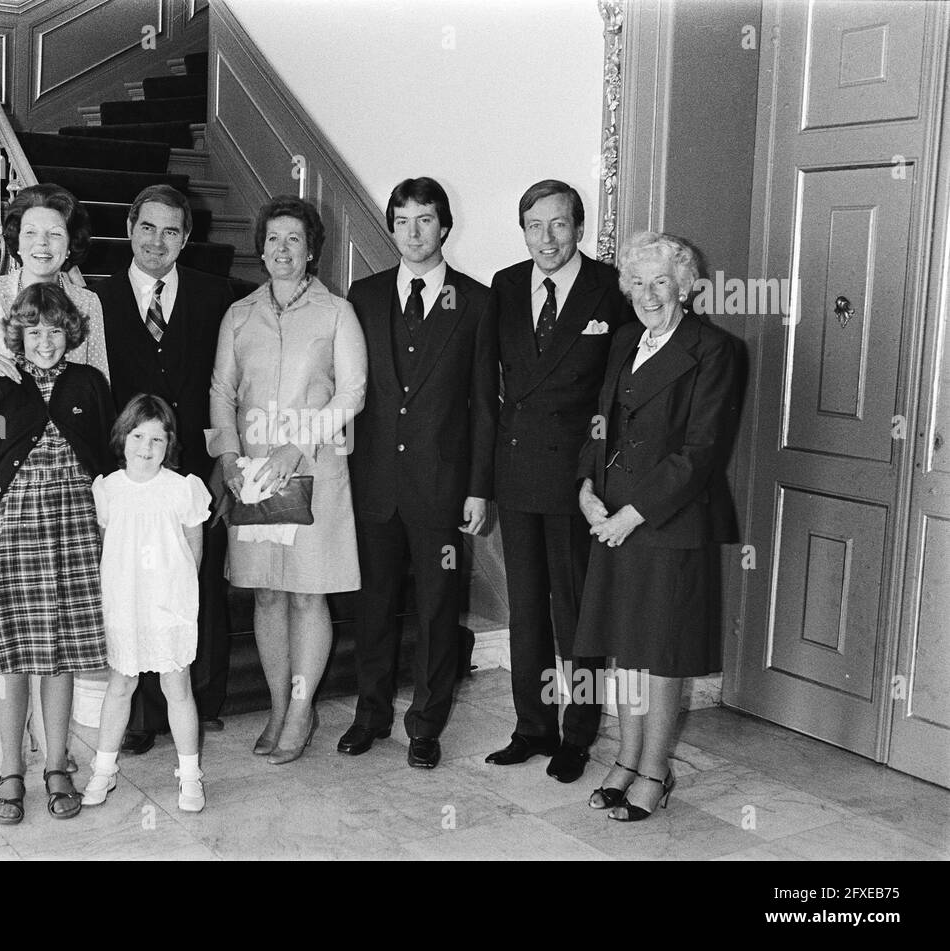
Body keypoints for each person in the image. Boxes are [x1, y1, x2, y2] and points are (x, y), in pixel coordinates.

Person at [0, 182, 109, 771]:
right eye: (31, 231)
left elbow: (96, 381)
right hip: (2, 480)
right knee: (4, 631)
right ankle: (9, 747)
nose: (43, 242)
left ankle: (53, 746)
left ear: (69, 242)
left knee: (57, 633)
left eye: (55, 232)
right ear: (15, 239)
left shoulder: (87, 306)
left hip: (65, 488)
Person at [574, 231, 741, 820]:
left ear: (684, 287)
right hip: (612, 515)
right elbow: (600, 425)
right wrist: (587, 489)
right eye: (638, 283)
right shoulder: (623, 340)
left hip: (667, 521)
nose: (649, 294)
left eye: (661, 282)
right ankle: (625, 756)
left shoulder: (715, 350)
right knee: (626, 650)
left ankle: (654, 770)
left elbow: (700, 452)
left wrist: (632, 514)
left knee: (661, 652)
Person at [340, 177, 497, 768]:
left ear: (444, 226)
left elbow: (485, 406)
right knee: (374, 605)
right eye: (402, 221)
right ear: (391, 227)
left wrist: (479, 487)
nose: (413, 232)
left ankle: (426, 725)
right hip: (374, 484)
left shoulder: (476, 302)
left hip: (442, 489)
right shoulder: (364, 295)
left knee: (436, 609)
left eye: (425, 220)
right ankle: (370, 714)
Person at [207, 195, 367, 765]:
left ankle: (302, 707)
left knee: (306, 594)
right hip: (253, 474)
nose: (282, 249)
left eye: (294, 239)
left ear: (312, 249)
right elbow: (222, 392)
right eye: (273, 239)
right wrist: (227, 456)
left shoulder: (336, 314)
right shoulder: (239, 314)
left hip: (313, 468)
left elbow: (352, 393)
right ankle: (278, 706)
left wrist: (299, 446)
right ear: (261, 247)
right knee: (267, 593)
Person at [0, 282, 116, 824]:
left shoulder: (89, 384)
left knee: (61, 651)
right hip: (11, 531)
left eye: (56, 330)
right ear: (18, 333)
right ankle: (11, 771)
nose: (45, 342)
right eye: (34, 331)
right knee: (11, 654)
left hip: (74, 532)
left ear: (72, 332)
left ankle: (57, 764)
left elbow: (108, 459)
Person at [487, 180, 634, 783]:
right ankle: (533, 727)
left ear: (579, 226)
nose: (547, 238)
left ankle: (578, 734)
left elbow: (622, 395)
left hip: (579, 480)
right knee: (526, 609)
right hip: (517, 472)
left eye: (559, 224)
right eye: (534, 225)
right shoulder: (503, 285)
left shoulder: (611, 288)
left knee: (578, 613)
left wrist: (598, 477)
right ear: (522, 230)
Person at [92, 184, 238, 755]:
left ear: (186, 238)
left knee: (195, 579)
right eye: (148, 228)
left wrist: (223, 462)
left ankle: (201, 698)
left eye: (171, 230)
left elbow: (226, 385)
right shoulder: (97, 300)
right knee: (135, 585)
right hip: (129, 471)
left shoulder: (214, 294)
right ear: (130, 229)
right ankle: (141, 714)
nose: (158, 241)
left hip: (196, 471)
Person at [81, 395, 213, 812]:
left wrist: (176, 592)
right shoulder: (107, 490)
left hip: (167, 605)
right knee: (121, 686)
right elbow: (104, 547)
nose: (146, 447)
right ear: (123, 437)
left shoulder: (181, 488)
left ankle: (190, 776)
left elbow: (194, 547)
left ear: (169, 444)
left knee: (178, 687)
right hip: (124, 604)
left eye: (158, 439)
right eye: (139, 436)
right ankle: (104, 768)